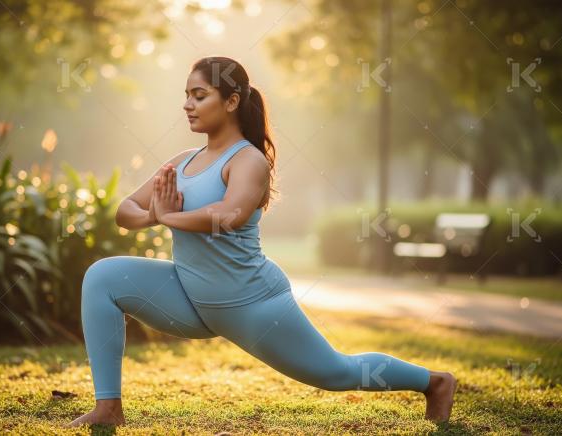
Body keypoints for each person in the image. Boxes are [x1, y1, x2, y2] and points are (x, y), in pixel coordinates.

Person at [68, 56, 457, 427]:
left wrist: (169, 216)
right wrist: (154, 214)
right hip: (191, 298)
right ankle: (108, 407)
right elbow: (124, 210)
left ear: (232, 101)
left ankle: (434, 382)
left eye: (199, 95)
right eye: (186, 95)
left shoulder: (248, 161)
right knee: (103, 277)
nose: (188, 105)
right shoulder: (184, 161)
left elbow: (230, 214)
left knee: (336, 372)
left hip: (253, 304)